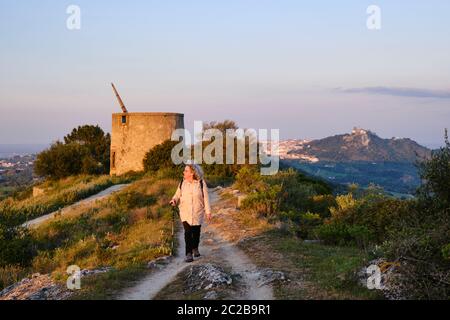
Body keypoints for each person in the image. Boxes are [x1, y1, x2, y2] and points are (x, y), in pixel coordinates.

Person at [169, 164, 212, 263]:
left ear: (192, 173)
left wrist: (208, 211)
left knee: (196, 232)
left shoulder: (201, 183)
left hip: (198, 212)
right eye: (184, 171)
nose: (184, 172)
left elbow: (206, 198)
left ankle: (195, 248)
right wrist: (174, 200)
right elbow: (177, 195)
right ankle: (188, 253)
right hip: (185, 212)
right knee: (187, 232)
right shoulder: (182, 183)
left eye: (186, 171)